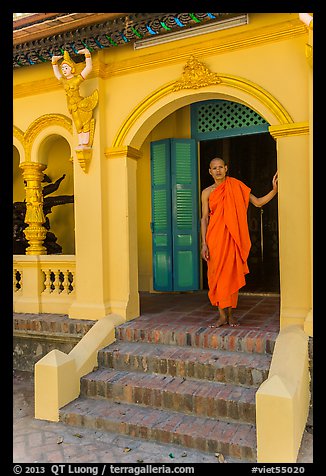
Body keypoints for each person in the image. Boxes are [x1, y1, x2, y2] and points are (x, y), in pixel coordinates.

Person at [201, 158, 278, 328]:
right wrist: (204, 244)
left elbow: (257, 202)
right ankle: (221, 315)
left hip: (232, 239)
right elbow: (204, 218)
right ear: (210, 171)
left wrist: (274, 191)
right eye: (215, 168)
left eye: (221, 167)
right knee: (216, 276)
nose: (218, 170)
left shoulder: (236, 186)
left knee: (230, 275)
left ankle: (230, 314)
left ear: (226, 168)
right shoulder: (206, 192)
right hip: (214, 239)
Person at [51, 49, 98, 149]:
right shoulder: (64, 81)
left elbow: (88, 68)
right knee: (77, 124)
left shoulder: (77, 79)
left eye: (66, 67)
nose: (63, 70)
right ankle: (81, 142)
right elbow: (57, 75)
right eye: (62, 68)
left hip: (79, 104)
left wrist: (87, 55)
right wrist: (54, 62)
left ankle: (85, 142)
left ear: (72, 69)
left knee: (85, 122)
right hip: (72, 106)